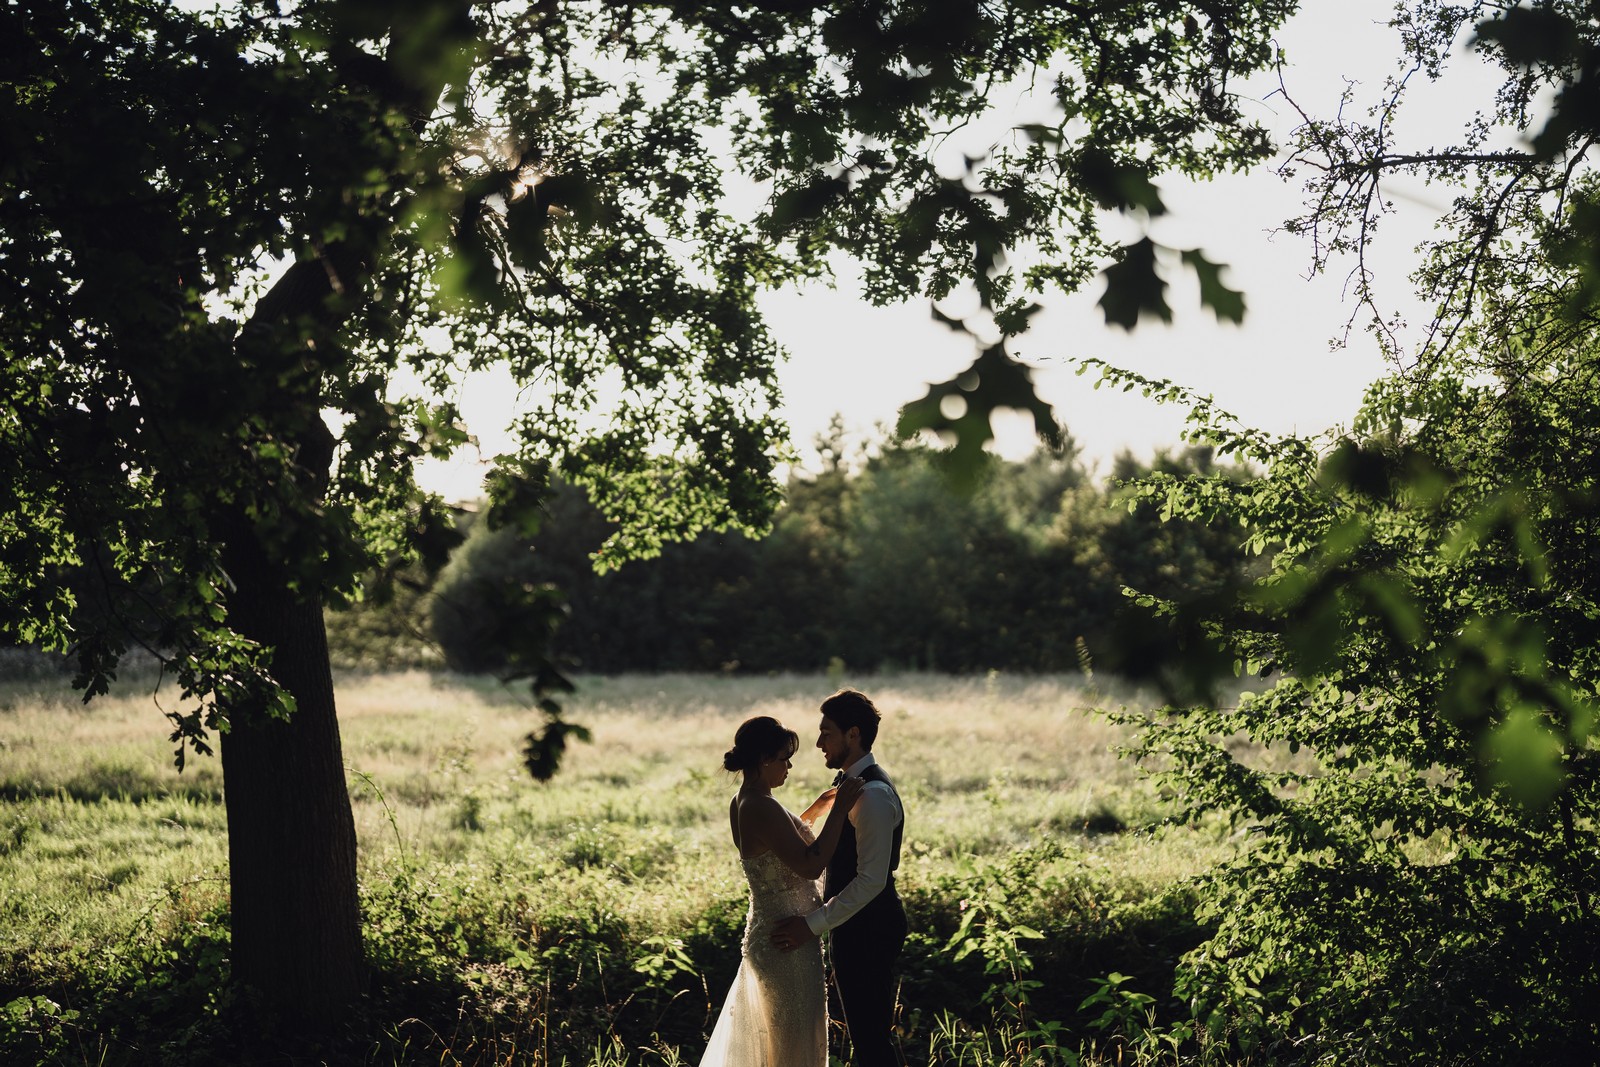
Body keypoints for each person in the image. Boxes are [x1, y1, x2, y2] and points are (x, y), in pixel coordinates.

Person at [699, 715, 864, 1067]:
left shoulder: (745, 800)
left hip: (774, 934)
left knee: (783, 1044)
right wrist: (840, 810)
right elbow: (810, 865)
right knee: (794, 1045)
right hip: (788, 942)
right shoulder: (763, 806)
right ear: (764, 759)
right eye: (784, 759)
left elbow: (775, 847)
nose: (789, 767)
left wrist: (814, 812)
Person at [771, 689, 907, 1067]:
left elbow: (871, 880)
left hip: (870, 928)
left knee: (871, 1042)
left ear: (853, 734)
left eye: (826, 733)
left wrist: (812, 924)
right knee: (866, 1037)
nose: (819, 743)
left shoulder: (872, 796)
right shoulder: (849, 786)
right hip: (854, 925)